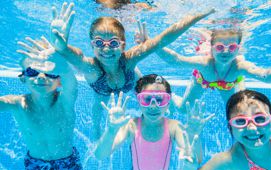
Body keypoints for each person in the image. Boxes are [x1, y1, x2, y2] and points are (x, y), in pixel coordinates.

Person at [50, 2, 215, 139]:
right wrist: (60, 41)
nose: (106, 49)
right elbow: (68, 53)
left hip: (131, 79)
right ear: (92, 45)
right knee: (98, 108)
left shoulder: (129, 60)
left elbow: (163, 39)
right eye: (99, 43)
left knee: (149, 89)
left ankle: (167, 104)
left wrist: (196, 16)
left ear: (123, 45)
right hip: (103, 90)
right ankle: (95, 129)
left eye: (113, 43)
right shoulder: (91, 67)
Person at [135, 24, 271, 111]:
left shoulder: (239, 65)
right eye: (219, 47)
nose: (225, 52)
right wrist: (151, 44)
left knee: (240, 109)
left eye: (231, 47)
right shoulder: (205, 64)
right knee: (183, 109)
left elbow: (264, 75)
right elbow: (175, 60)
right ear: (212, 48)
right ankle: (173, 96)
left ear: (238, 49)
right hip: (203, 81)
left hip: (230, 85)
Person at [94, 74, 214, 170]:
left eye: (160, 99)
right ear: (138, 100)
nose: (153, 106)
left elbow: (196, 157)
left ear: (168, 103)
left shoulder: (174, 127)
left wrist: (193, 134)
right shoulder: (131, 126)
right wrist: (111, 130)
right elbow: (100, 154)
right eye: (146, 99)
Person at [0, 37, 82, 170]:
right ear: (23, 77)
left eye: (50, 72)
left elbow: (71, 81)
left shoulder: (64, 101)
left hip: (66, 163)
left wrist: (58, 59)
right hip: (37, 163)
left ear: (59, 80)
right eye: (32, 71)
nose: (42, 76)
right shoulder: (17, 104)